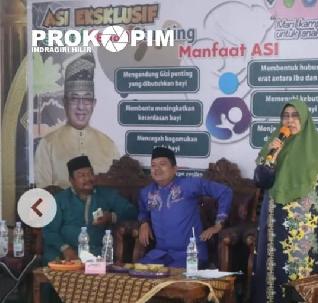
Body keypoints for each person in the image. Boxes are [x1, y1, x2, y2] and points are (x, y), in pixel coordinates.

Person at [248, 99, 318, 303]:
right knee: (273, 269)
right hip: (273, 220)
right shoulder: (274, 144)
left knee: (300, 272)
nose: (290, 120)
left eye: (295, 115)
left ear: (305, 119)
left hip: (304, 226)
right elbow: (261, 180)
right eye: (286, 115)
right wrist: (273, 156)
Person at [137, 147, 232, 267]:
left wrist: (218, 224)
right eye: (153, 165)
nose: (157, 169)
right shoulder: (146, 192)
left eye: (162, 164)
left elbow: (225, 192)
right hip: (161, 254)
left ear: (174, 169)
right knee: (137, 273)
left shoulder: (189, 185)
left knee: (174, 277)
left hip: (190, 254)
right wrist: (144, 222)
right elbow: (143, 210)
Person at [35, 53, 120, 188]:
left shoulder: (109, 146)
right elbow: (43, 193)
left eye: (87, 99)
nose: (81, 106)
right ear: (65, 102)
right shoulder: (48, 145)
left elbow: (116, 191)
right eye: (74, 99)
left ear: (94, 104)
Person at [43, 156, 137, 264]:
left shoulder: (106, 194)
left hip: (95, 253)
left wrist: (111, 217)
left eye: (90, 173)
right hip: (63, 253)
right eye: (82, 175)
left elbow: (131, 211)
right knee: (52, 260)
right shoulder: (60, 199)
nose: (88, 178)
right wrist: (65, 248)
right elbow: (49, 231)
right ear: (71, 180)